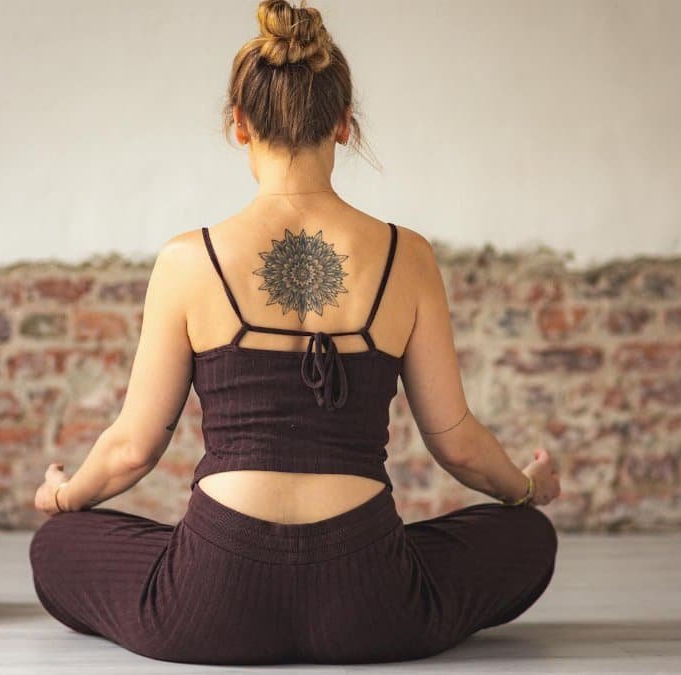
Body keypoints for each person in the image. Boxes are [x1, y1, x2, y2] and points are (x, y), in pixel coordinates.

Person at [29, 0, 561, 665]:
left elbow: (133, 449)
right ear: (342, 124)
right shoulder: (407, 256)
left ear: (240, 125)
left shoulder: (189, 260)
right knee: (528, 537)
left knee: (54, 546)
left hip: (212, 598)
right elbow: (458, 446)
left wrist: (62, 493)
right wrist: (528, 487)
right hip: (370, 599)